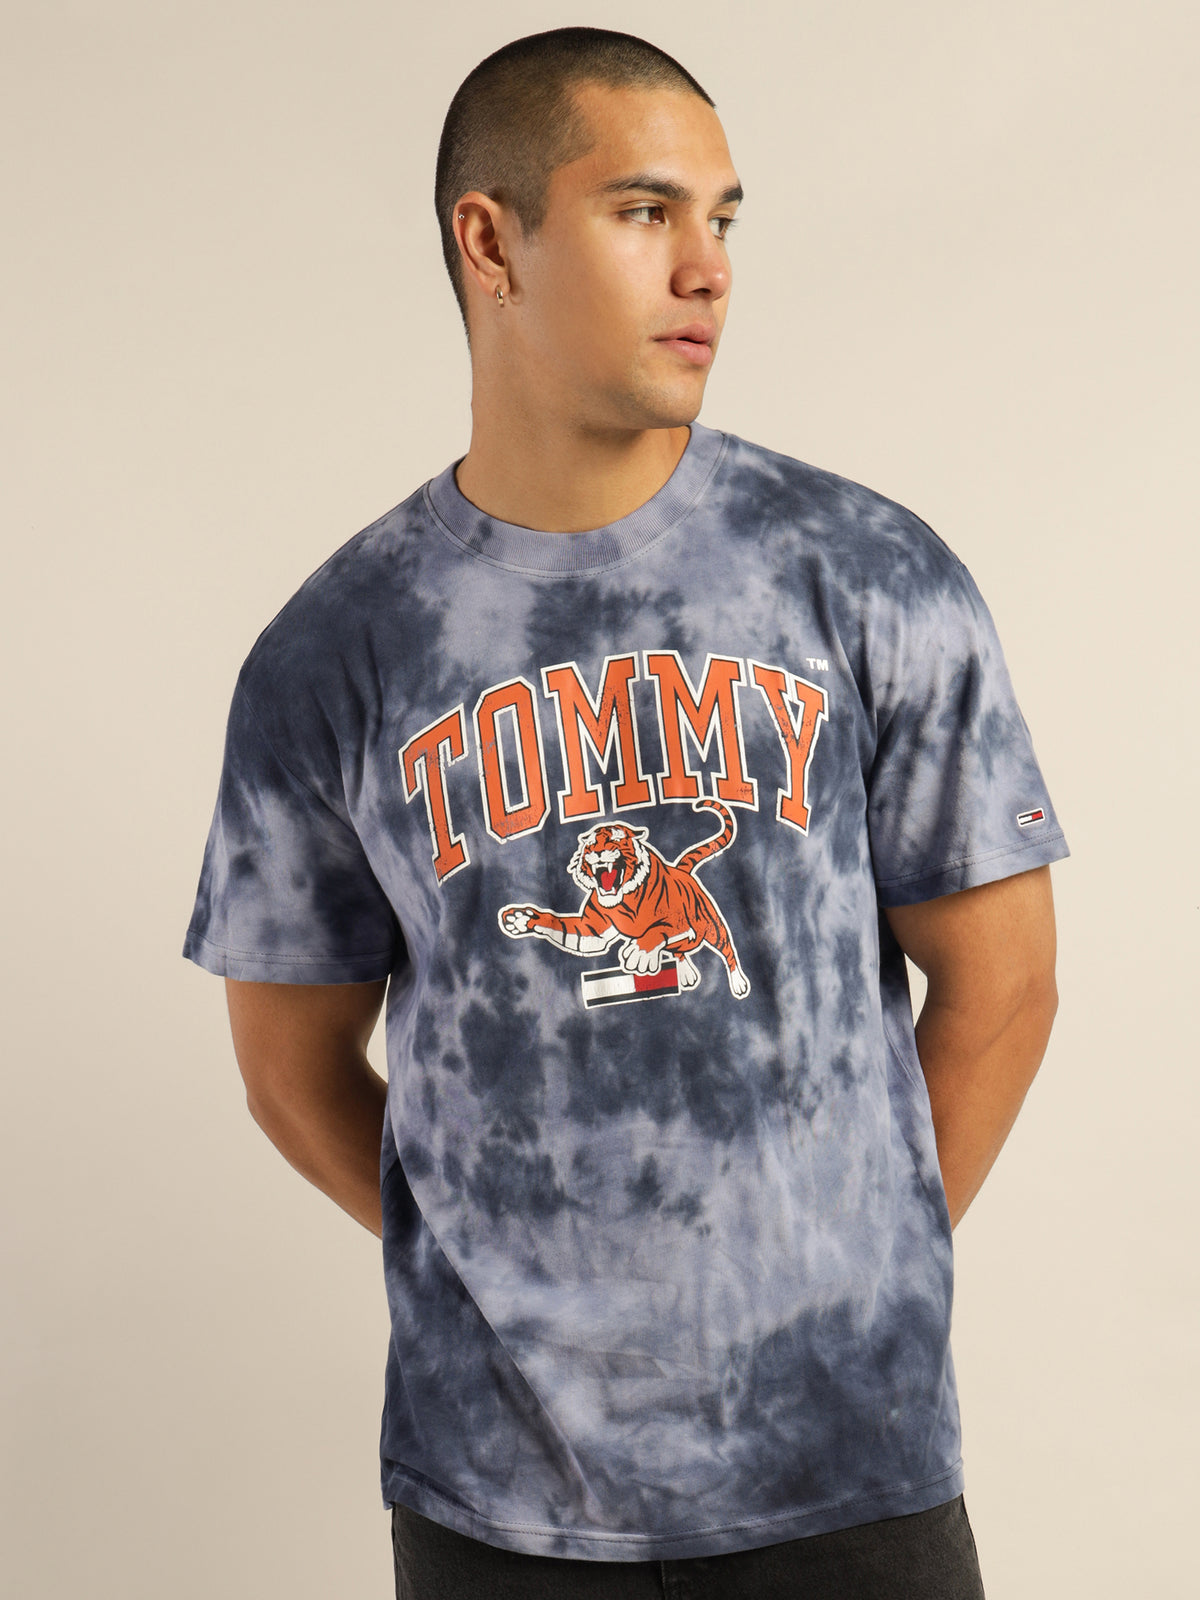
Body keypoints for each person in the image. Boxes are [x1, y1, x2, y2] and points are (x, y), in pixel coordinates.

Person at [183, 25, 1068, 1600]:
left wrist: (849, 1285)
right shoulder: (338, 651)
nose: (707, 268)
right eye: (646, 211)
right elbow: (288, 1067)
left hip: (845, 1473)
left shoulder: (870, 576)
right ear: (490, 242)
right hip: (497, 1501)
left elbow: (1004, 987)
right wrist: (504, 1280)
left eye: (722, 218)